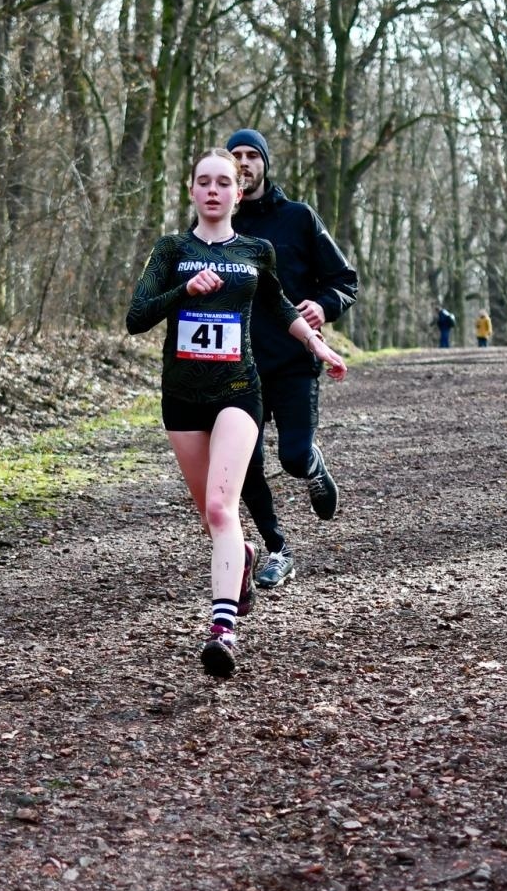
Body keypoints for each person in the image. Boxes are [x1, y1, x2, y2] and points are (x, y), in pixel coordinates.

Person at [128, 149, 347, 677]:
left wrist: (317, 346)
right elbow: (137, 317)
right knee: (211, 516)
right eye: (203, 182)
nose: (213, 191)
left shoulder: (256, 249)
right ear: (191, 190)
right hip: (182, 398)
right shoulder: (171, 250)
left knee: (223, 508)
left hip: (239, 391)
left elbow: (277, 305)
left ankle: (222, 631)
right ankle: (244, 557)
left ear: (237, 192)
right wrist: (184, 290)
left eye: (222, 182)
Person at [225, 129, 359, 590]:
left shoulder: (298, 218)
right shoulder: (219, 224)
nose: (243, 162)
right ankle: (278, 550)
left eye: (251, 155)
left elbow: (345, 279)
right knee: (245, 465)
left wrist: (325, 305)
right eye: (235, 155)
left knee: (294, 457)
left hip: (295, 360)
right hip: (237, 367)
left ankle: (313, 466)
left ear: (264, 163)